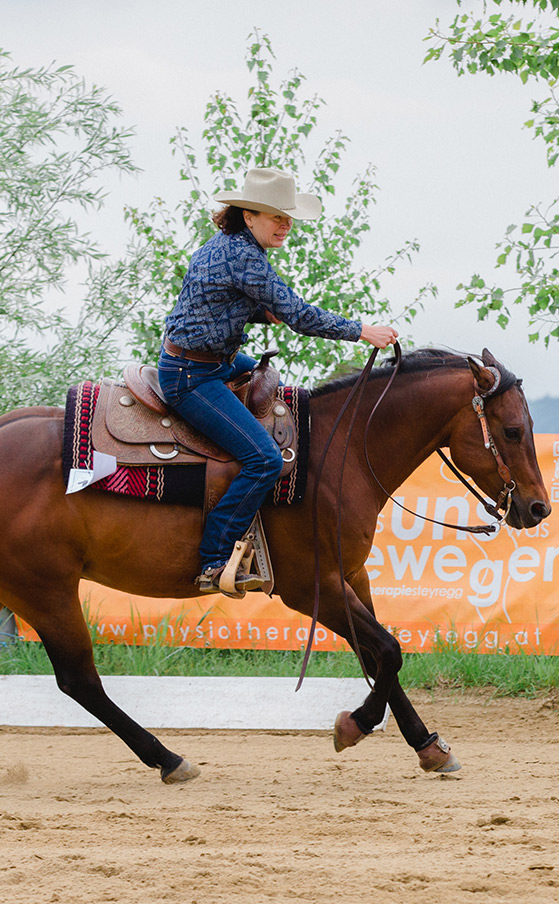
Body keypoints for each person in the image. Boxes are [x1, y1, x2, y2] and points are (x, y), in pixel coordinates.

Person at [158, 167, 399, 596]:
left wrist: (254, 312)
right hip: (192, 376)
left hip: (213, 361)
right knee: (265, 458)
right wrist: (362, 330)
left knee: (276, 388)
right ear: (248, 216)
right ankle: (214, 560)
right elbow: (302, 316)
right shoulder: (245, 257)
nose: (285, 225)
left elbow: (208, 301)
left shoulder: (229, 247)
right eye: (276, 216)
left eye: (288, 217)